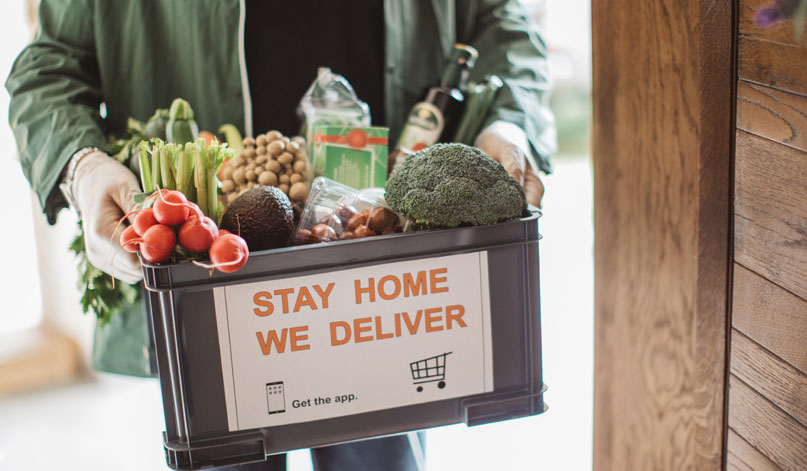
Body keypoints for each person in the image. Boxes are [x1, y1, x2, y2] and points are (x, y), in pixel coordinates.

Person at [7, 1, 555, 469]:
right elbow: (49, 68)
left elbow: (502, 22)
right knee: (226, 449)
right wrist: (81, 169)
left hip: (386, 266)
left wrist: (507, 122)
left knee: (382, 448)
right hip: (212, 278)